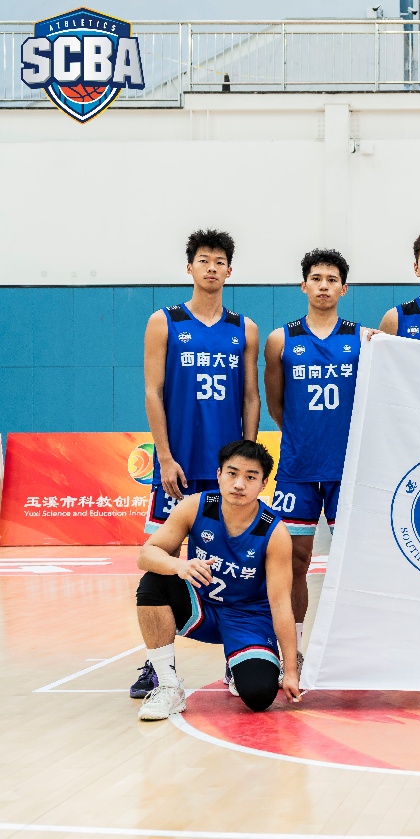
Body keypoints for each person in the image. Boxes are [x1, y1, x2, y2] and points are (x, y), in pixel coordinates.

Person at [133, 229, 261, 699]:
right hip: (179, 466)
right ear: (189, 268)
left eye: (219, 261)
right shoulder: (164, 321)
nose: (212, 267)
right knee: (161, 563)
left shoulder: (244, 328)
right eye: (204, 260)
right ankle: (158, 667)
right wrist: (165, 456)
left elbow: (251, 397)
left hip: (227, 472)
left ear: (230, 271)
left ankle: (237, 656)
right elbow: (153, 393)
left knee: (235, 563)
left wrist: (247, 462)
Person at [133, 440, 300, 721]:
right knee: (154, 582)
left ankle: (238, 662)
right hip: (202, 609)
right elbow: (146, 555)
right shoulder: (196, 506)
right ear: (219, 474)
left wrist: (291, 670)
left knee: (259, 696)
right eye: (232, 473)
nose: (239, 484)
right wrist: (179, 565)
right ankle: (168, 686)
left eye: (251, 477)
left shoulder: (274, 532)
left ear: (263, 484)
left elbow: (281, 604)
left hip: (249, 619)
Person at [263, 248, 367, 673]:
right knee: (294, 562)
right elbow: (276, 404)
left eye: (332, 279)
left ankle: (353, 650)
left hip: (350, 468)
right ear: (303, 285)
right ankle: (294, 650)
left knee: (355, 563)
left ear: (344, 288)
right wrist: (304, 435)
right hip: (298, 469)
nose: (324, 286)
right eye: (316, 278)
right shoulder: (280, 340)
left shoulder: (363, 338)